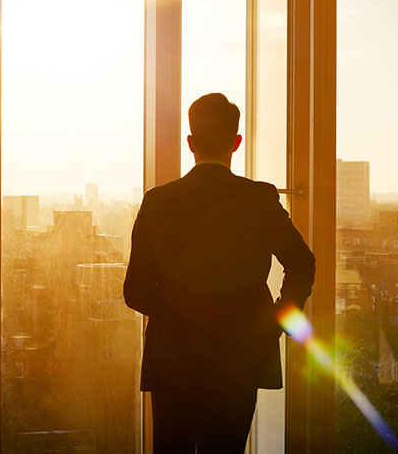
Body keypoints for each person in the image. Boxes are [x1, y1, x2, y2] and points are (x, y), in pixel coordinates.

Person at [123, 92, 315, 452]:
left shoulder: (158, 201)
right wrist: (275, 322)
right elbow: (302, 264)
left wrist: (178, 313)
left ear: (190, 143)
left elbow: (135, 291)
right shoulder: (258, 199)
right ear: (236, 142)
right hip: (241, 354)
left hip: (173, 356)